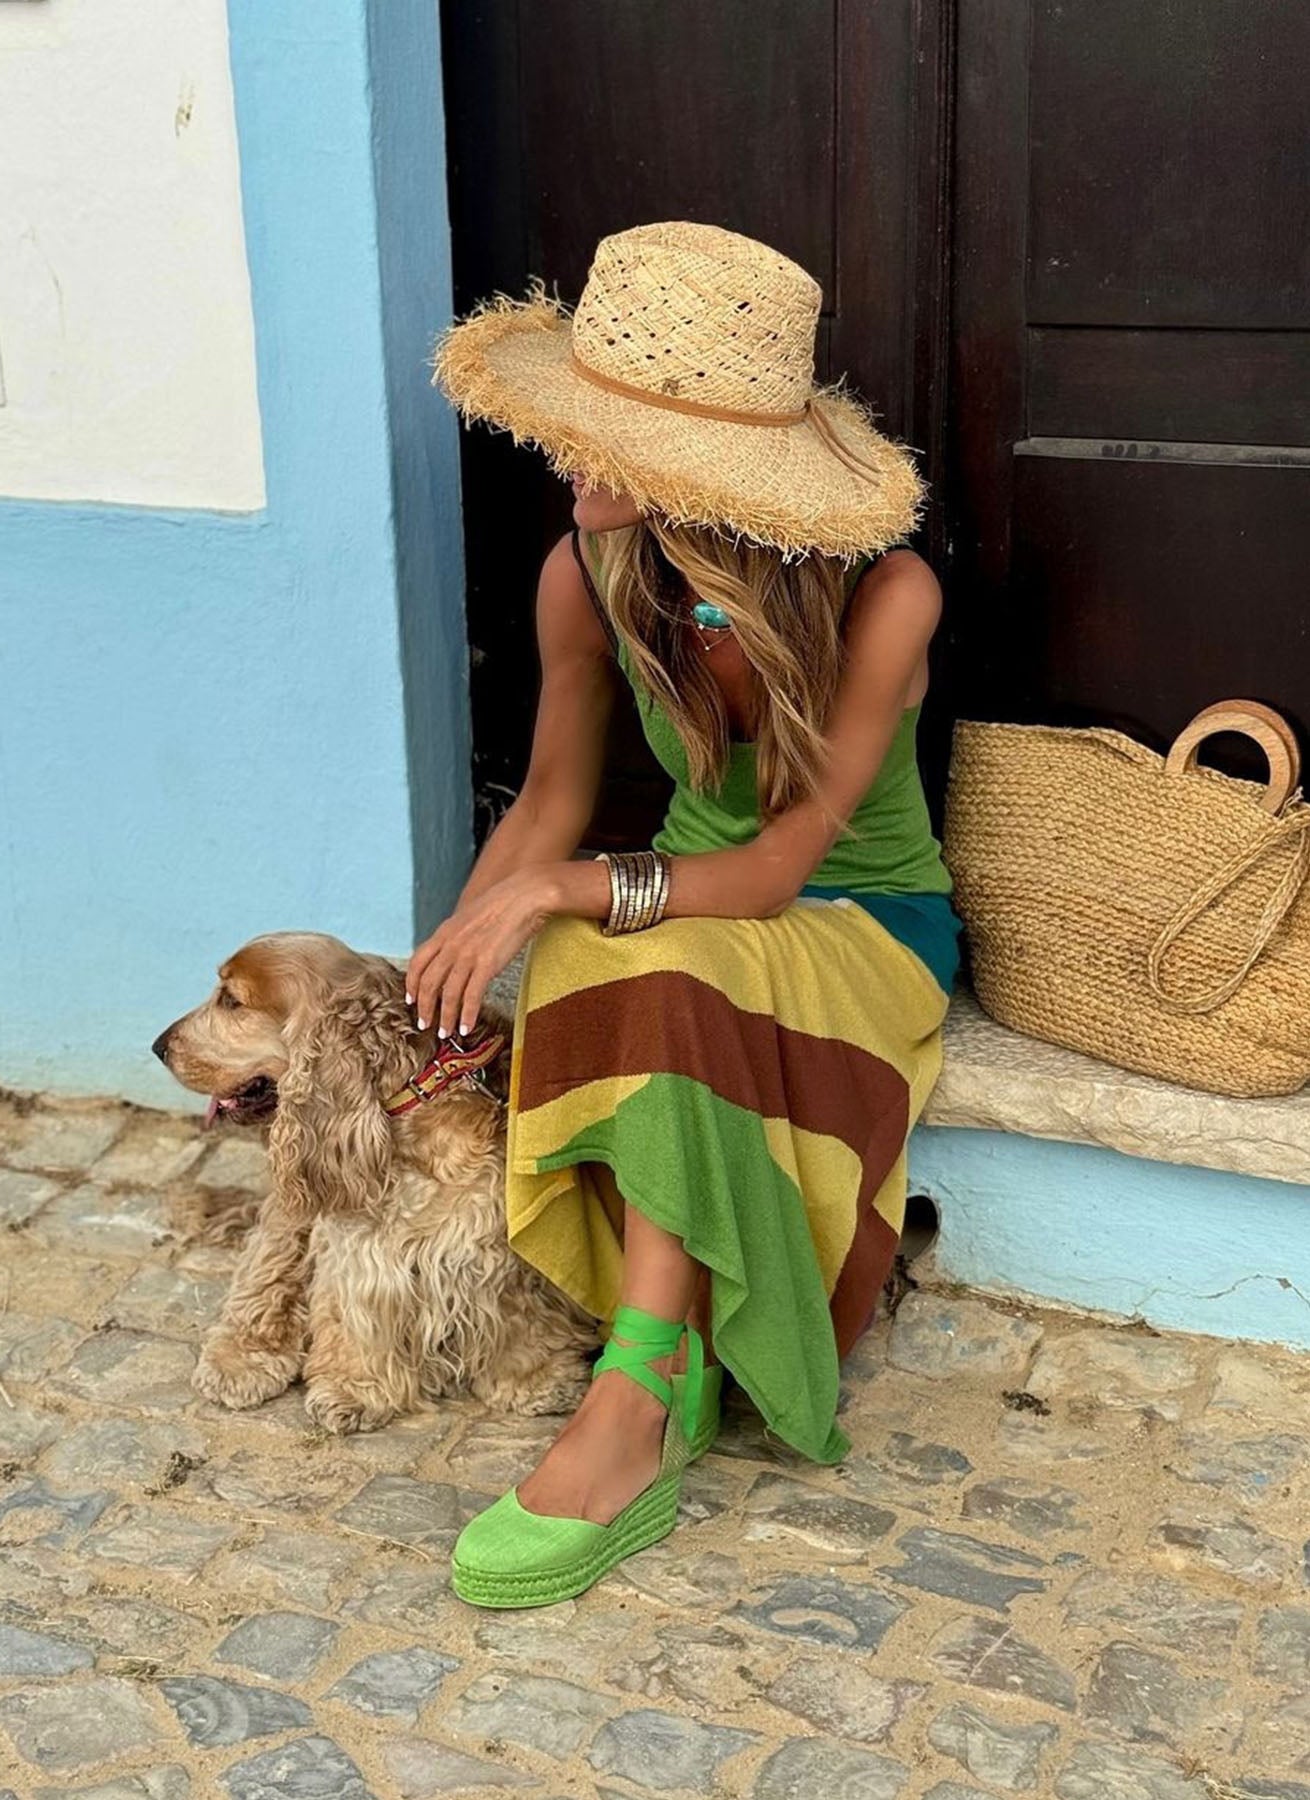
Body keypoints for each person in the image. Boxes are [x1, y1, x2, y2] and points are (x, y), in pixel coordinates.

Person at [409, 221, 960, 1609]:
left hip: (861, 925)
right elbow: (544, 807)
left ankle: (635, 1404)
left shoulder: (885, 593)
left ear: (706, 474)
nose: (567, 457)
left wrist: (558, 892)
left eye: (606, 438)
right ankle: (662, 1361)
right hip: (691, 917)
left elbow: (778, 869)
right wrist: (441, 974)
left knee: (627, 943)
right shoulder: (582, 574)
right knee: (619, 946)